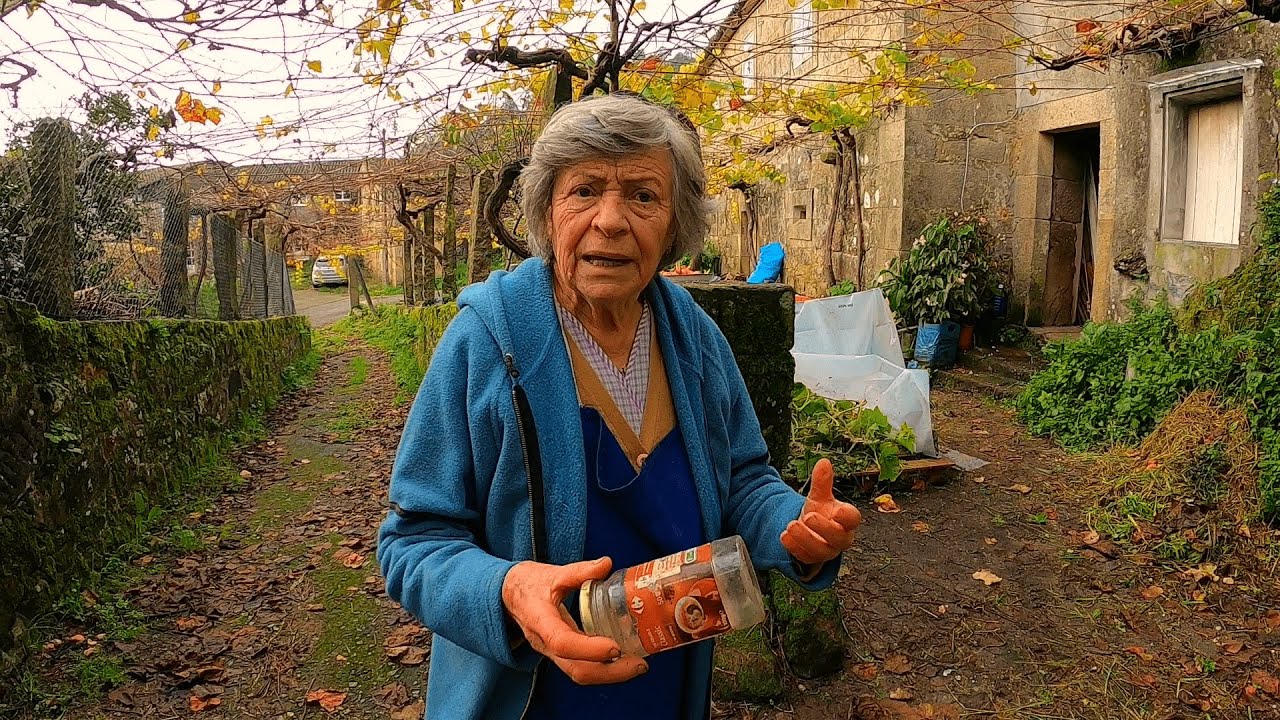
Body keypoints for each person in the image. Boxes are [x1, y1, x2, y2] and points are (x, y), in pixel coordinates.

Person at [378, 93, 862, 720]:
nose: (610, 220)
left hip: (667, 682)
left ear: (675, 222)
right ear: (548, 211)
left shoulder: (694, 338)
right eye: (583, 191)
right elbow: (415, 542)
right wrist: (508, 590)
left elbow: (744, 480)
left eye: (642, 195)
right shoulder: (486, 342)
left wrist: (795, 529)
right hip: (527, 695)